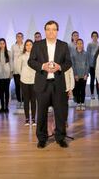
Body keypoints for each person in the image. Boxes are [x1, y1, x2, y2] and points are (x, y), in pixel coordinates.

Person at [28, 20, 72, 149]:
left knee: (60, 113)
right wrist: (42, 66)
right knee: (41, 113)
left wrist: (59, 67)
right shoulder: (37, 45)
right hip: (43, 84)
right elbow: (31, 61)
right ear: (45, 31)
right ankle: (42, 138)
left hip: (58, 83)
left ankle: (60, 138)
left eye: (54, 29)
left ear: (57, 31)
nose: (51, 31)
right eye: (48, 29)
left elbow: (68, 63)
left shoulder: (64, 45)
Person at [16, 39, 37, 126]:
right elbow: (18, 68)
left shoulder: (36, 56)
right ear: (25, 46)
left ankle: (33, 119)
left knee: (33, 100)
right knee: (26, 100)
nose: (29, 46)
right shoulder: (22, 56)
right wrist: (23, 74)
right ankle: (27, 119)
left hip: (34, 81)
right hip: (24, 80)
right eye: (27, 45)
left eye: (30, 45)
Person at [0, 38, 13, 113]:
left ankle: (6, 107)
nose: (2, 45)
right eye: (0, 43)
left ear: (5, 44)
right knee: (1, 91)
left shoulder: (9, 52)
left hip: (7, 74)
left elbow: (11, 62)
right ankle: (2, 107)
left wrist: (11, 72)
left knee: (7, 91)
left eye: (3, 43)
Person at [72, 39, 89, 111]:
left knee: (82, 89)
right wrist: (75, 74)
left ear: (83, 44)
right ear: (76, 44)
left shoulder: (86, 54)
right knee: (77, 89)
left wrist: (86, 74)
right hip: (76, 75)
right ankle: (78, 103)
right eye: (78, 43)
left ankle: (82, 102)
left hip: (83, 75)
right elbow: (73, 65)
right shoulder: (73, 54)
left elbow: (87, 64)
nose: (80, 45)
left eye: (81, 43)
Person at [11, 32, 25, 104]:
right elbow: (11, 58)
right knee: (17, 85)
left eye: (20, 36)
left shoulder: (25, 45)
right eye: (18, 36)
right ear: (16, 38)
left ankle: (24, 100)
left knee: (24, 85)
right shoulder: (13, 46)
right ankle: (19, 100)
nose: (19, 38)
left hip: (24, 70)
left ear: (23, 38)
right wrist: (12, 69)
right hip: (16, 70)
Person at [86, 31, 99, 99]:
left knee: (98, 80)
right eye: (93, 36)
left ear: (97, 37)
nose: (95, 37)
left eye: (96, 36)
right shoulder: (89, 44)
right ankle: (92, 93)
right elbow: (87, 55)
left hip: (98, 66)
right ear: (91, 37)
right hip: (91, 65)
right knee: (92, 79)